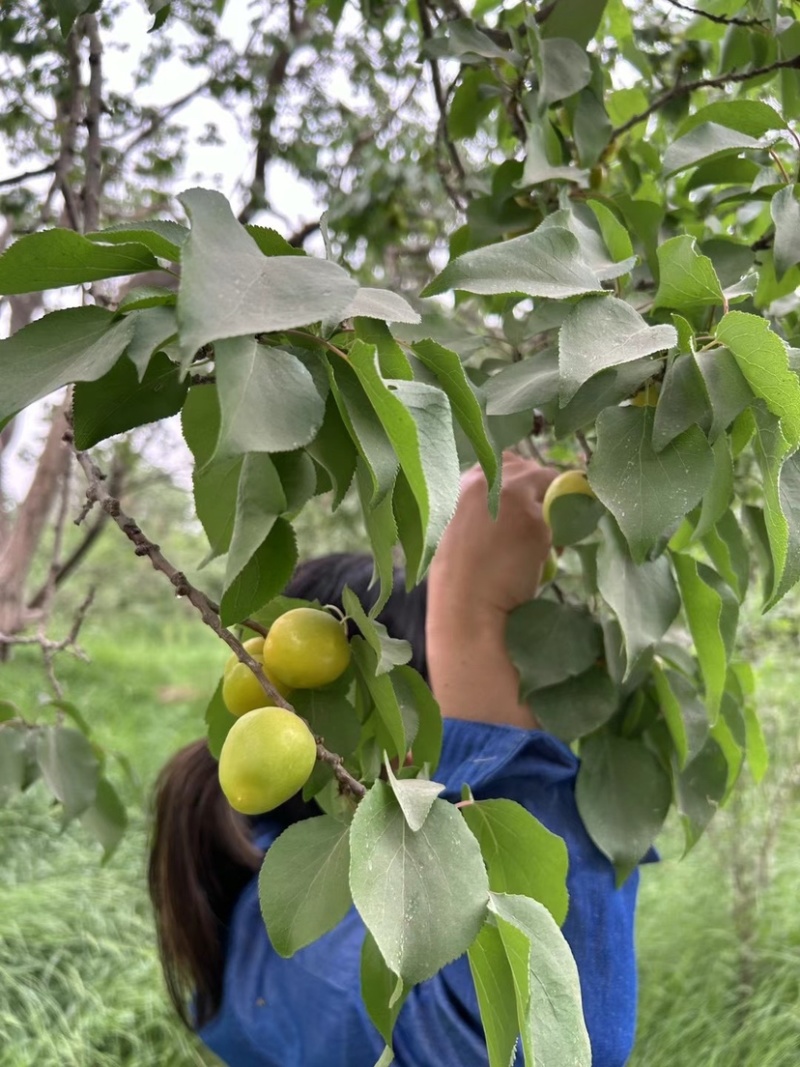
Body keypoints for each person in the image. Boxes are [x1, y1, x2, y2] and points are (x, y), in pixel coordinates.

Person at [149, 456, 644, 1066]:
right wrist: (475, 656)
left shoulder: (264, 863)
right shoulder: (321, 949)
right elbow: (549, 1044)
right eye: (445, 714)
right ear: (399, 749)